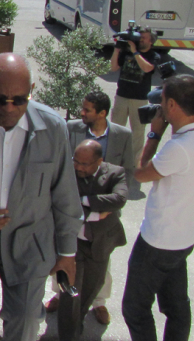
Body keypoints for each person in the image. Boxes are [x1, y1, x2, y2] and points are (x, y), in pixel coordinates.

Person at [0, 53, 82, 341]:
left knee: (25, 321)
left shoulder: (53, 128)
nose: (9, 108)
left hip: (30, 243)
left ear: (30, 90)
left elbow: (65, 194)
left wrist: (67, 253)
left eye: (19, 100)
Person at [121, 75, 194, 341]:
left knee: (134, 308)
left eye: (163, 101)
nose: (161, 106)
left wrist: (154, 133)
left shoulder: (179, 148)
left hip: (157, 243)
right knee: (176, 307)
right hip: (184, 240)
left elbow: (141, 173)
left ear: (173, 106)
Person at [46, 90, 136, 324]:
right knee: (66, 251)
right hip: (73, 207)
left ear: (102, 113)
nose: (82, 113)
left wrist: (106, 206)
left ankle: (99, 302)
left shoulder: (122, 135)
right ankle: (60, 294)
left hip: (105, 212)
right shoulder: (72, 128)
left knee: (100, 259)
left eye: (87, 110)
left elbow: (127, 171)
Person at [57, 140, 127, 341]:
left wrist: (84, 201)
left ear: (100, 162)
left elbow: (119, 199)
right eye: (76, 161)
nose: (78, 167)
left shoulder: (115, 173)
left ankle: (76, 326)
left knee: (91, 289)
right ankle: (67, 336)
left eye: (84, 164)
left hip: (100, 244)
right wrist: (95, 214)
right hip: (73, 245)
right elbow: (64, 205)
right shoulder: (68, 172)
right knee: (69, 293)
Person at [109, 27, 160, 169]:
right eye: (139, 37)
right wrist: (117, 49)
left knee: (137, 133)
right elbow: (113, 68)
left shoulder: (153, 55)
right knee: (115, 129)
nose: (140, 39)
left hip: (139, 99)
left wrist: (135, 52)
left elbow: (147, 68)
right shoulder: (126, 52)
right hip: (122, 96)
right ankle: (113, 162)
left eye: (143, 37)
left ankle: (133, 165)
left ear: (151, 41)